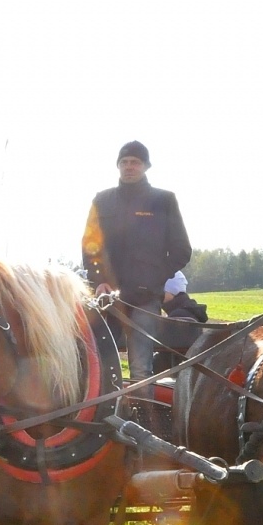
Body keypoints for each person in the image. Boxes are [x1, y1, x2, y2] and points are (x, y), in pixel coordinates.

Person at [81, 140, 192, 397]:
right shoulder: (102, 200)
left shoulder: (163, 200)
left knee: (141, 371)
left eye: (135, 162)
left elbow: (181, 250)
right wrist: (99, 280)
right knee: (99, 369)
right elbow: (90, 247)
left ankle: (142, 424)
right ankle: (105, 426)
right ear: (118, 166)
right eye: (124, 162)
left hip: (144, 300)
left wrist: (152, 280)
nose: (129, 167)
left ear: (145, 166)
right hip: (106, 300)